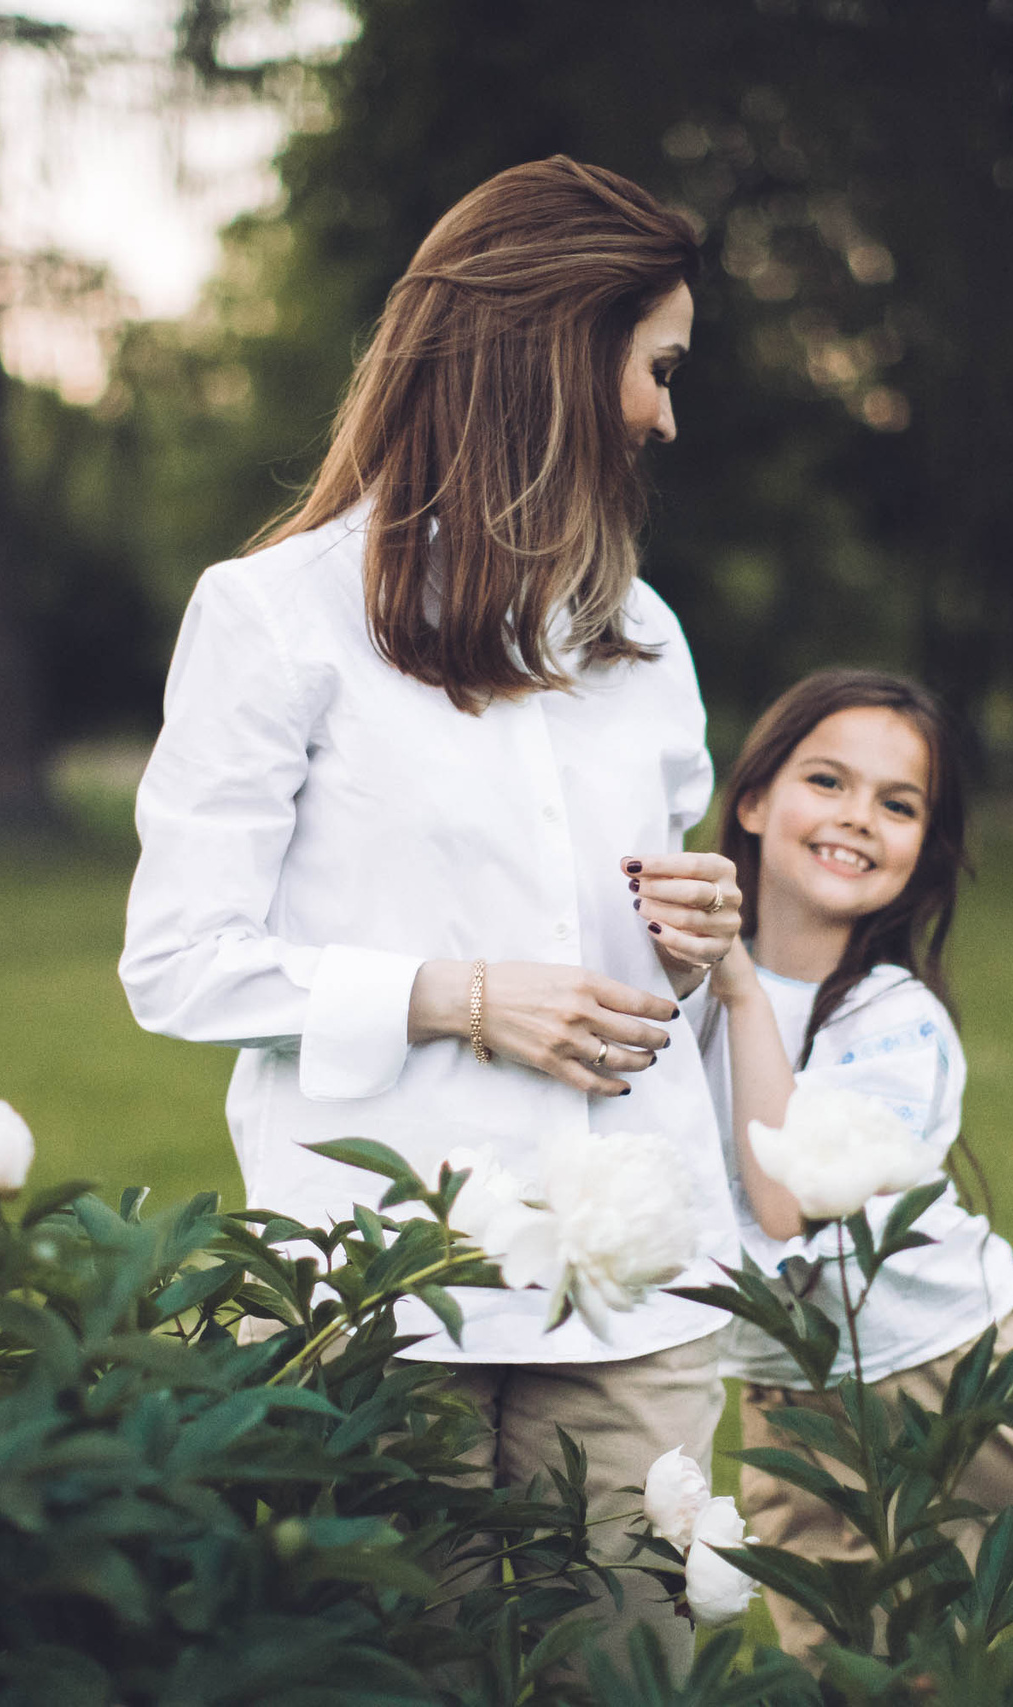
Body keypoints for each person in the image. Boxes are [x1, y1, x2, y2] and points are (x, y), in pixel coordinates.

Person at [118, 157, 745, 1663]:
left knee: (637, 1672)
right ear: (553, 350)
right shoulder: (274, 618)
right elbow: (178, 963)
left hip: (631, 1302)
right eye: (656, 366)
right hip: (389, 1287)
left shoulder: (643, 635)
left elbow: (666, 990)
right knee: (404, 1671)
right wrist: (454, 993)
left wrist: (699, 944)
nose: (668, 412)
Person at [698, 667, 1013, 1654]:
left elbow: (789, 1197)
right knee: (860, 1659)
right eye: (827, 782)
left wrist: (739, 997)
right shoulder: (681, 984)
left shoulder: (897, 1021)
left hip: (961, 1363)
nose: (857, 819)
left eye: (898, 805)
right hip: (789, 1386)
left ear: (921, 849)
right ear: (753, 799)